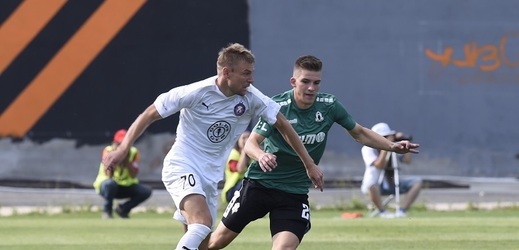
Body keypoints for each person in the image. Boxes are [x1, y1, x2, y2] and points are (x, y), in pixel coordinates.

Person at [101, 43, 323, 250]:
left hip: (210, 175)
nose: (251, 79)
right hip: (182, 164)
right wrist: (122, 149)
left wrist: (309, 164)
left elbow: (283, 124)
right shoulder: (196, 92)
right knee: (202, 223)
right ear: (227, 73)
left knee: (203, 245)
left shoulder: (252, 98)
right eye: (246, 73)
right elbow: (149, 114)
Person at [208, 55, 420, 250]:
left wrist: (391, 146)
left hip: (294, 193)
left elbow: (360, 133)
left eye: (316, 83)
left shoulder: (329, 106)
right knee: (215, 243)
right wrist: (262, 155)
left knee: (284, 248)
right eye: (305, 82)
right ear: (294, 82)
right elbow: (251, 143)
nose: (311, 88)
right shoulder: (277, 106)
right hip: (259, 186)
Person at [361, 122, 423, 218]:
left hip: (391, 183)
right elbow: (379, 165)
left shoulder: (394, 146)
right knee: (371, 185)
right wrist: (386, 146)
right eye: (385, 137)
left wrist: (405, 146)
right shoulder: (367, 149)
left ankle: (402, 211)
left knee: (417, 182)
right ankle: (382, 213)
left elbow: (407, 161)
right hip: (375, 185)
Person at [93, 129, 152, 219]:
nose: (122, 147)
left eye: (125, 144)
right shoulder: (108, 151)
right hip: (107, 186)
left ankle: (123, 209)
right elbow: (108, 174)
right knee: (110, 184)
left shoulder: (133, 152)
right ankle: (107, 211)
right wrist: (115, 160)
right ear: (114, 143)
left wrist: (126, 161)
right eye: (120, 144)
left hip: (125, 186)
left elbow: (133, 174)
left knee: (145, 191)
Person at [221, 131, 251, 204]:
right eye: (244, 138)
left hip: (244, 188)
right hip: (232, 189)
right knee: (246, 184)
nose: (246, 140)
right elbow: (240, 169)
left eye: (248, 137)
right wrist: (244, 150)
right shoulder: (233, 154)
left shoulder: (251, 155)